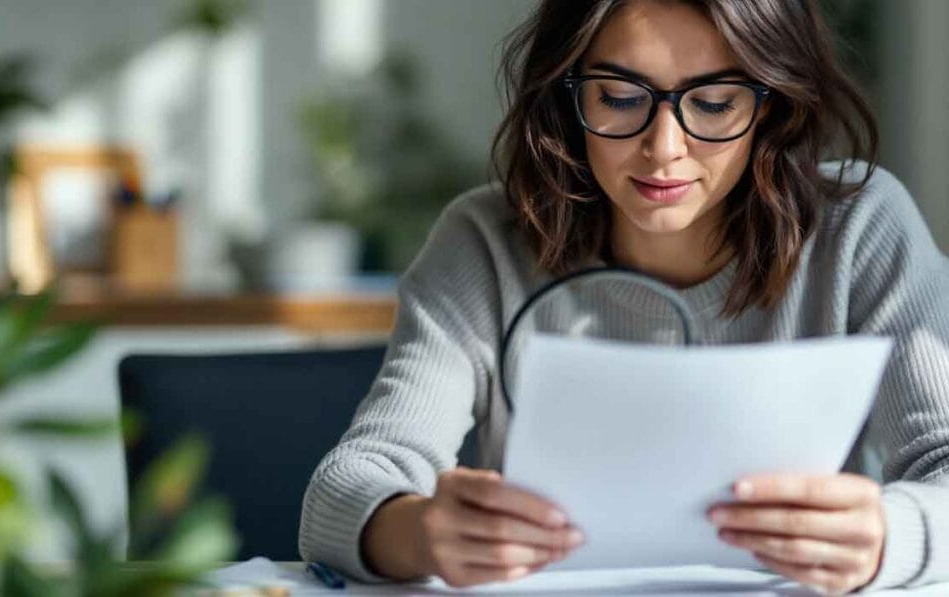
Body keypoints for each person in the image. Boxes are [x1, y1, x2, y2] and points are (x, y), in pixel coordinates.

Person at [299, 0, 949, 594]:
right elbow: (347, 485)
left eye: (716, 104)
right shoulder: (484, 244)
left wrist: (890, 533)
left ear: (771, 104)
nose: (663, 148)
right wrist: (419, 531)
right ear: (565, 98)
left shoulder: (861, 228)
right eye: (618, 96)